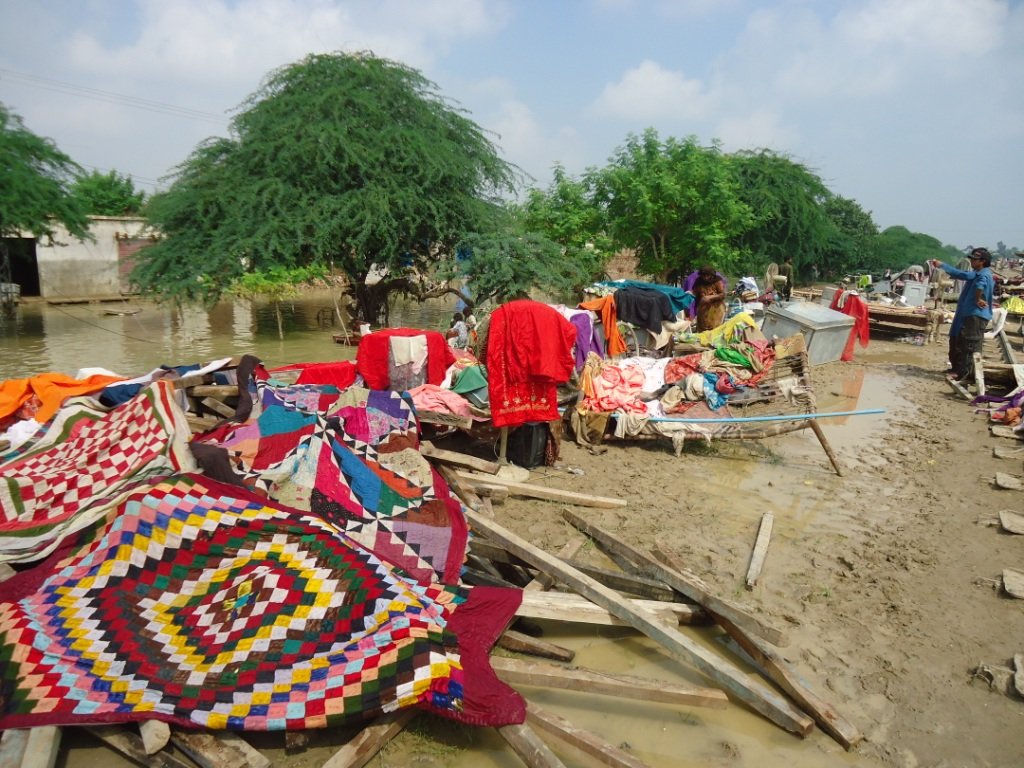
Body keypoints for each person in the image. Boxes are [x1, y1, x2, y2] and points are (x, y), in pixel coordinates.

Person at [931, 247, 994, 383]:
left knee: (969, 345)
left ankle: (964, 374)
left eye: (975, 259)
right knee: (957, 339)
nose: (972, 261)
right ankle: (957, 369)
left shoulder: (984, 274)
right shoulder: (976, 273)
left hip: (975, 314)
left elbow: (980, 286)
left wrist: (978, 299)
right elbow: (960, 274)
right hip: (966, 313)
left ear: (982, 261)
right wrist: (943, 266)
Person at [693, 264, 727, 332]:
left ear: (712, 275)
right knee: (702, 330)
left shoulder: (717, 281)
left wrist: (710, 297)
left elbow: (723, 294)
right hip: (703, 309)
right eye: (704, 275)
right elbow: (695, 293)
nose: (705, 277)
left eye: (707, 275)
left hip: (716, 309)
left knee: (715, 330)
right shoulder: (698, 281)